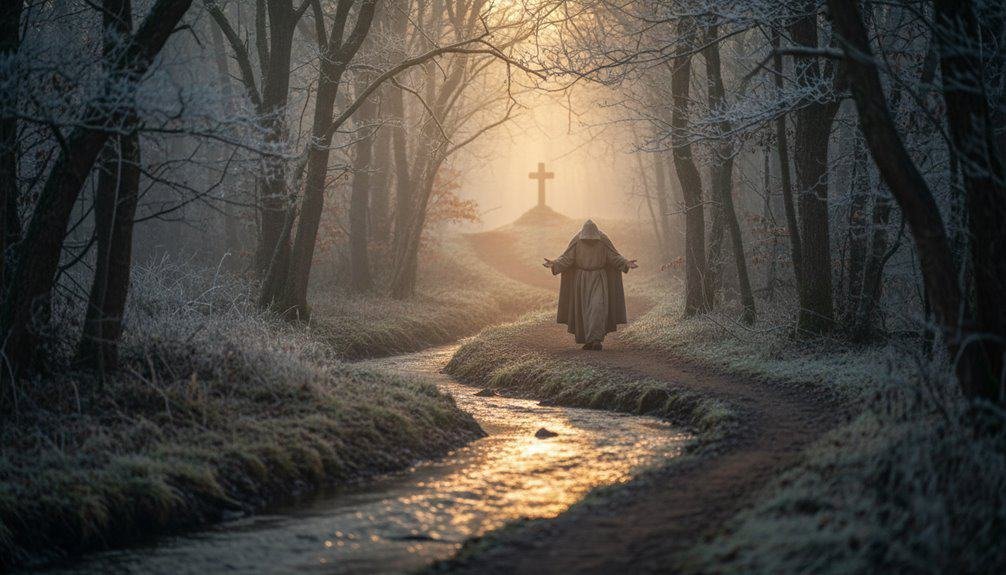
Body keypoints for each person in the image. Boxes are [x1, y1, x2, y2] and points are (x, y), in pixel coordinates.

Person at [543, 220, 638, 350]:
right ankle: (588, 340)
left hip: (599, 278)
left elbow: (613, 256)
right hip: (581, 280)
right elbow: (567, 258)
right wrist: (555, 264)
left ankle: (596, 340)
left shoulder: (603, 239)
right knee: (583, 311)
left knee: (597, 307)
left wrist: (626, 263)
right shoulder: (577, 240)